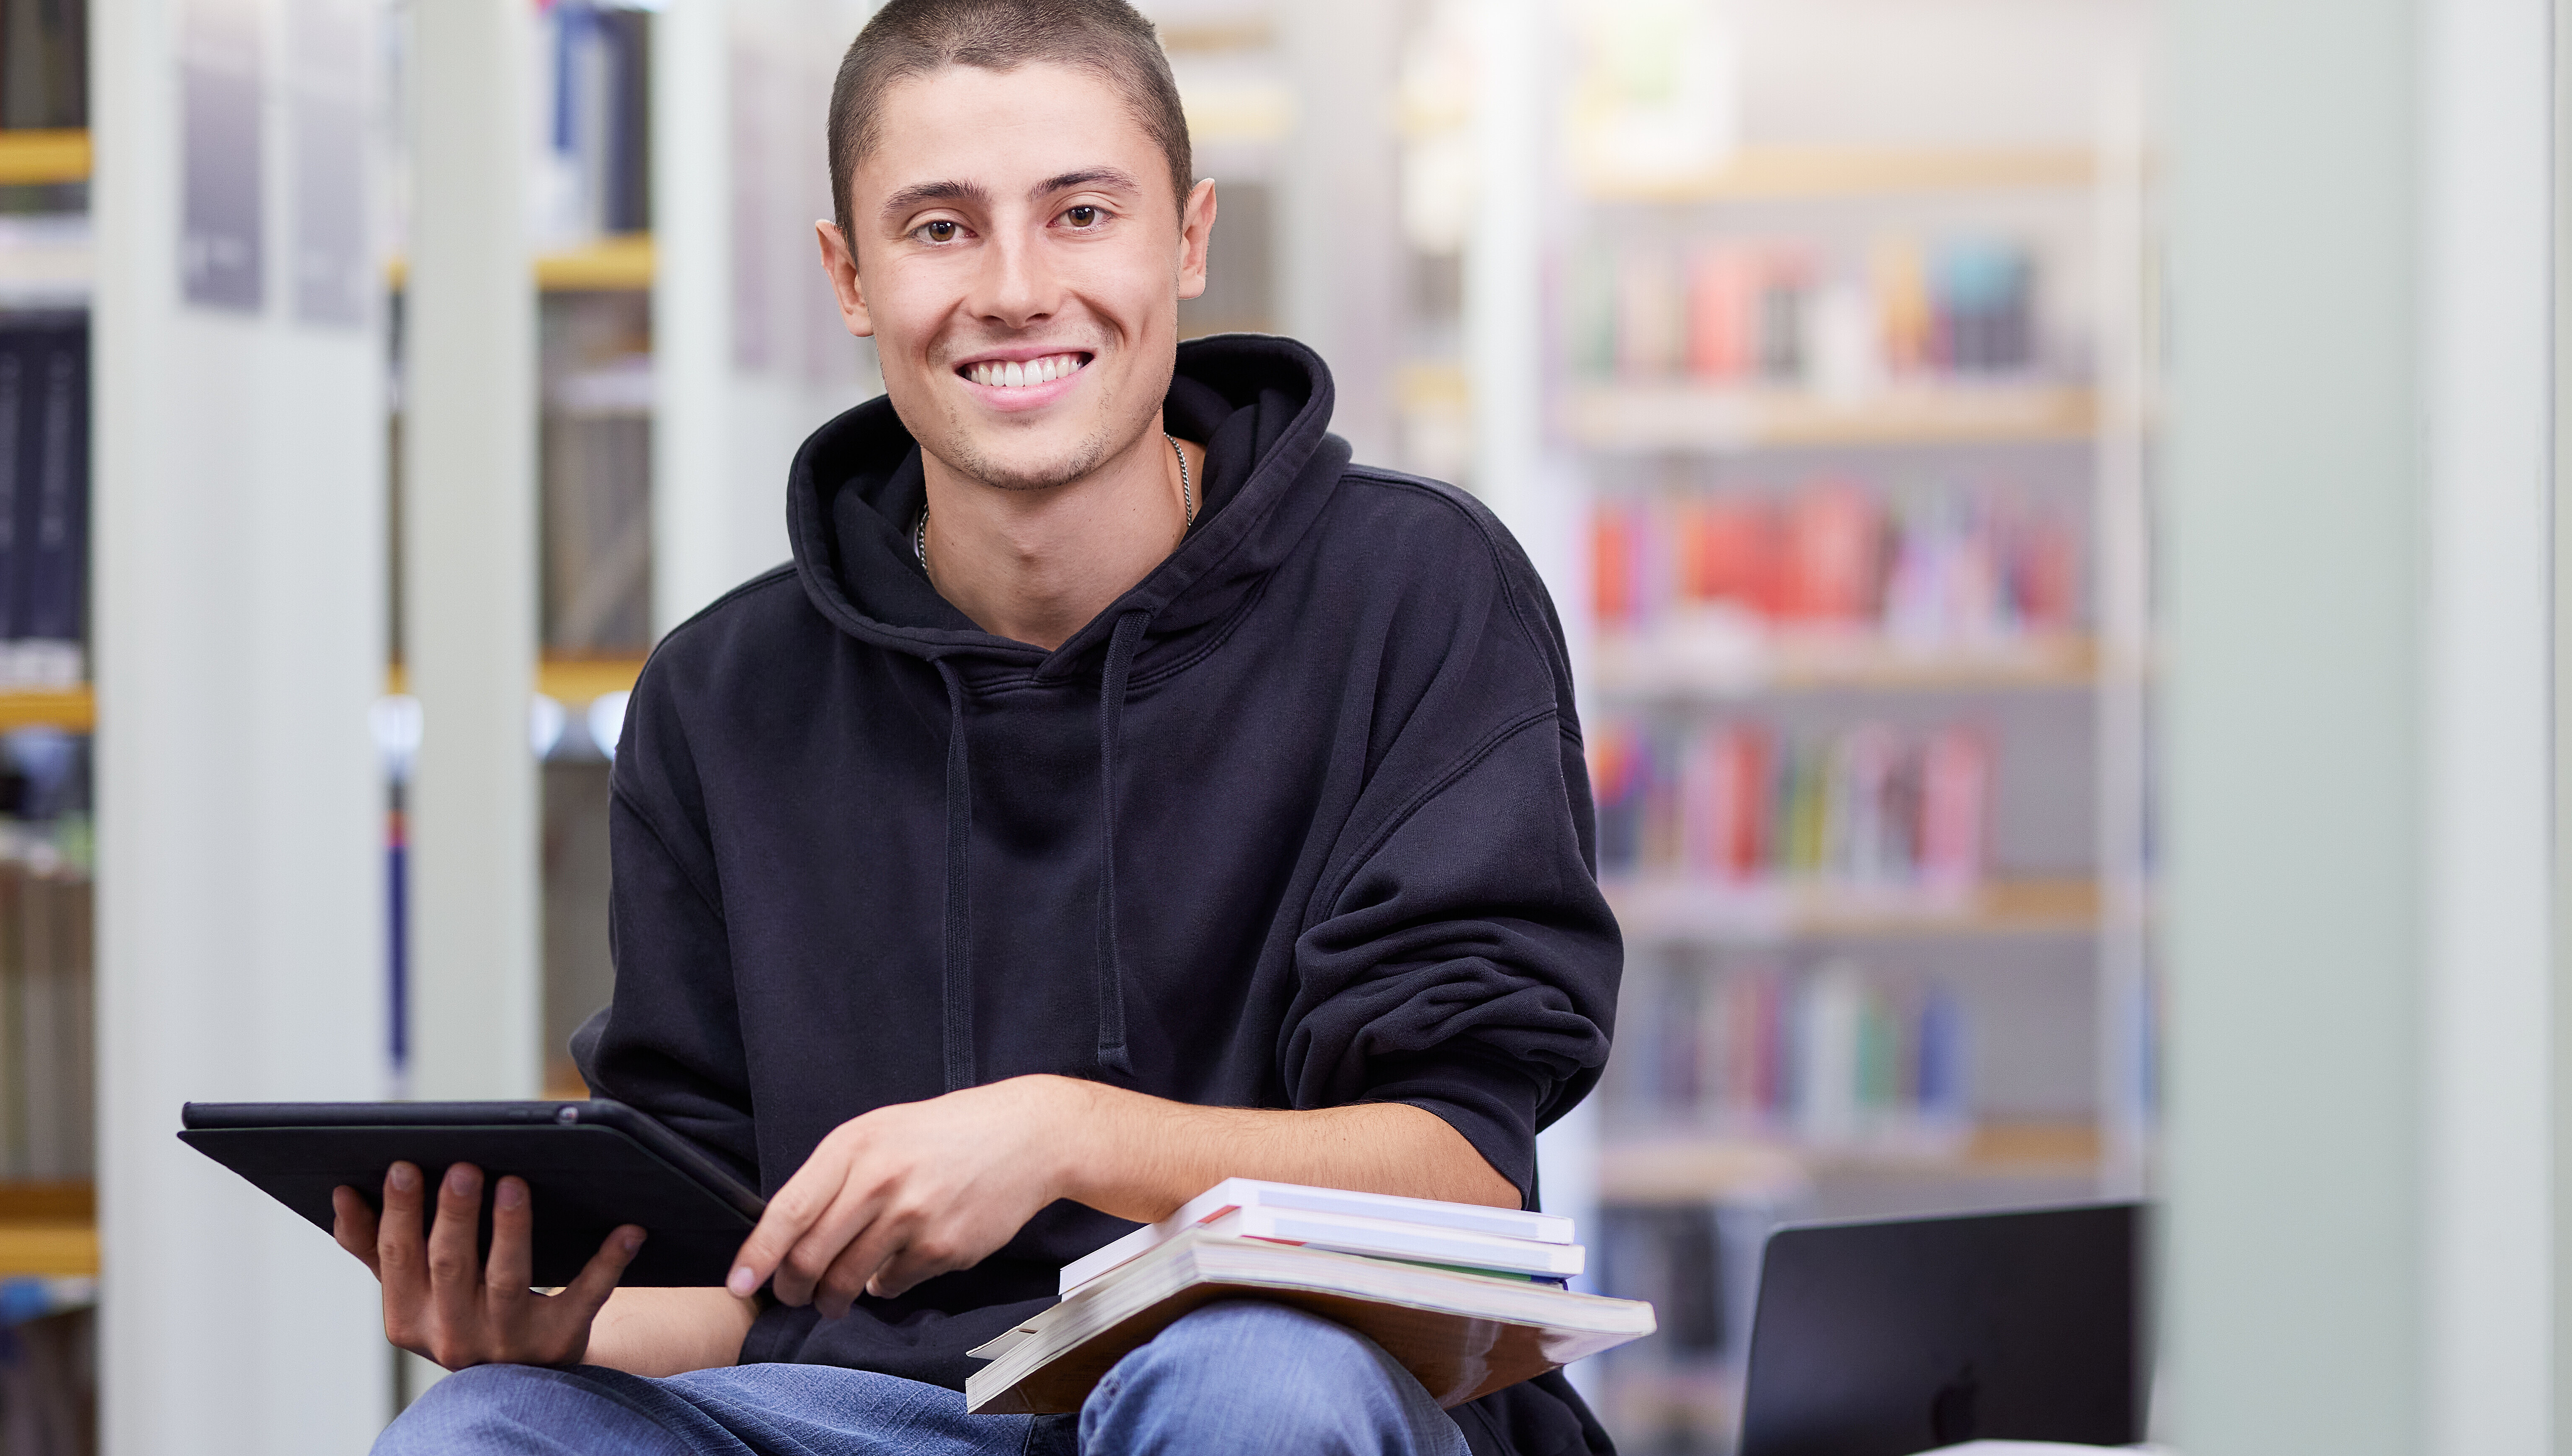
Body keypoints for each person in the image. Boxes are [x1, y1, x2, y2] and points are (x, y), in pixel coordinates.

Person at [331, 1, 1621, 1453]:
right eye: (939, 228)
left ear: (1186, 242)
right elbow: (737, 1286)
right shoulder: (718, 697)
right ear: (850, 274)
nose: (1015, 289)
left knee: (1249, 1378)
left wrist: (1064, 1136)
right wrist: (550, 1320)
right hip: (874, 1415)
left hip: (1297, 1380)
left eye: (1079, 213)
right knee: (482, 1429)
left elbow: (1462, 1173)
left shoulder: (1414, 592)